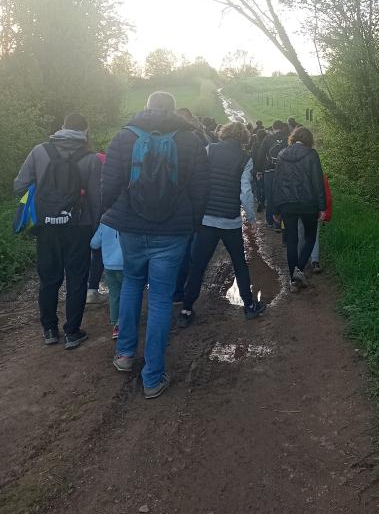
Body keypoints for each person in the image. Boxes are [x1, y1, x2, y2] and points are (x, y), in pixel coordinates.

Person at [102, 91, 208, 399]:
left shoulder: (124, 136)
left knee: (133, 284)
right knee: (161, 298)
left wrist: (106, 215)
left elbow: (108, 184)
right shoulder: (190, 140)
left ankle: (124, 354)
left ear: (147, 108)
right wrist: (194, 222)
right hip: (173, 232)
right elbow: (201, 189)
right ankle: (153, 376)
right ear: (174, 111)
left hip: (132, 228)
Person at [14, 113, 102, 348]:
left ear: (62, 127)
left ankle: (50, 330)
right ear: (86, 131)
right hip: (79, 227)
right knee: (76, 279)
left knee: (49, 279)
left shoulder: (40, 151)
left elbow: (19, 185)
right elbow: (97, 199)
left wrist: (43, 194)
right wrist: (96, 228)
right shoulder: (92, 159)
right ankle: (72, 332)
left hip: (46, 226)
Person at [178, 121, 266, 328]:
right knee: (239, 263)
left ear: (223, 133)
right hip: (230, 221)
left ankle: (186, 309)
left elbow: (197, 180)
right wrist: (251, 219)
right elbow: (245, 192)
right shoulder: (245, 158)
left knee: (198, 265)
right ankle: (249, 306)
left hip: (207, 218)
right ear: (243, 137)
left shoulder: (209, 150)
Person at [272, 126, 326, 292]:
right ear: (309, 140)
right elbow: (318, 183)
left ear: (293, 138)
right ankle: (299, 270)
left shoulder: (281, 155)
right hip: (308, 204)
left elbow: (277, 184)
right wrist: (322, 207)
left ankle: (293, 281)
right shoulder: (311, 155)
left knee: (292, 241)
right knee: (310, 237)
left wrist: (276, 210)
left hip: (287, 204)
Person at [90, 223, 123, 339]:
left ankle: (116, 326)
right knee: (129, 295)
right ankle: (128, 322)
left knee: (114, 296)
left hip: (109, 266)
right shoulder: (129, 217)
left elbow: (94, 244)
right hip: (126, 266)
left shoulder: (105, 221)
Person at [256, 120, 289, 229]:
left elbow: (261, 155)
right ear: (282, 127)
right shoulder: (288, 138)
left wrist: (259, 171)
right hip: (283, 172)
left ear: (273, 128)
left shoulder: (267, 139)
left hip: (269, 171)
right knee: (282, 196)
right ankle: (280, 222)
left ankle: (270, 221)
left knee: (270, 196)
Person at [297, 173, 332, 273]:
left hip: (300, 208)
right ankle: (315, 261)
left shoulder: (295, 171)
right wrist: (324, 211)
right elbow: (327, 196)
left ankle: (301, 262)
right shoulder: (319, 174)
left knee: (301, 233)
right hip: (315, 209)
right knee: (314, 234)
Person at [87, 151, 107, 305]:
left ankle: (90, 290)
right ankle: (93, 290)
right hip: (100, 220)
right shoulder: (104, 182)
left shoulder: (82, 176)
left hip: (81, 222)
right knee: (99, 254)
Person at [251, 128, 267, 212]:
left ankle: (259, 201)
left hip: (256, 168)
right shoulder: (267, 144)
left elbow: (253, 157)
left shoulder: (255, 144)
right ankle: (263, 201)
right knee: (264, 186)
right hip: (265, 168)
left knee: (257, 186)